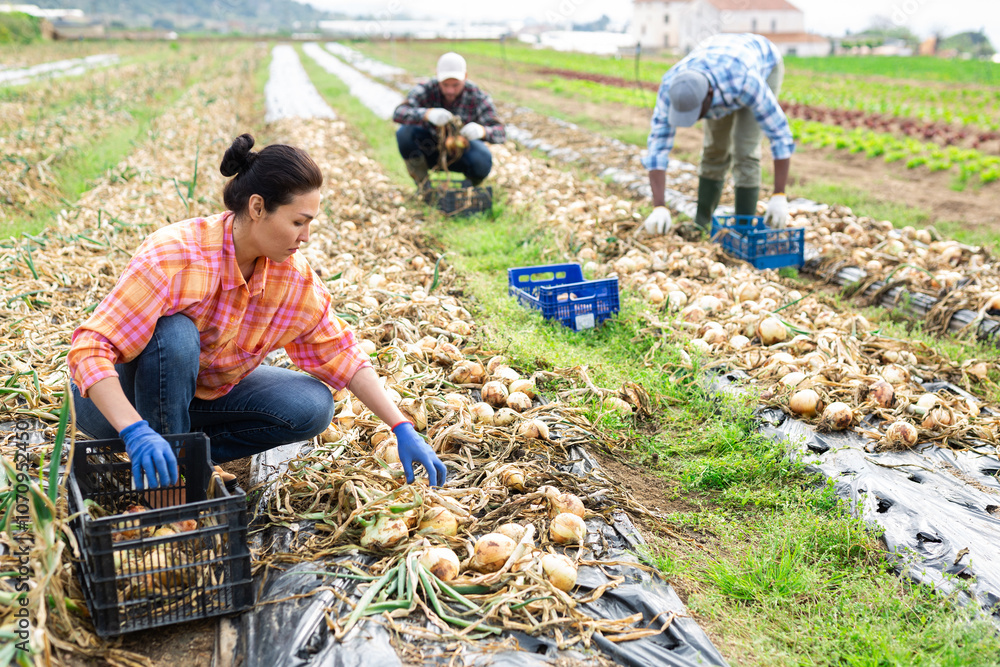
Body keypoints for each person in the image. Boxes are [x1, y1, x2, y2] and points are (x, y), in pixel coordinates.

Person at [67, 134, 447, 490]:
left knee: (312, 406)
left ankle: (189, 456)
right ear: (257, 207)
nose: (306, 237)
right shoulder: (176, 255)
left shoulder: (291, 278)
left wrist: (399, 425)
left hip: (196, 397)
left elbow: (341, 351)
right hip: (119, 406)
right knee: (176, 334)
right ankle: (174, 482)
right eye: (298, 222)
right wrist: (133, 429)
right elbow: (89, 349)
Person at [641, 33, 794, 237]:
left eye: (696, 114)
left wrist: (779, 194)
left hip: (762, 65)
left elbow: (779, 134)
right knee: (714, 149)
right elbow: (657, 147)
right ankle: (701, 225)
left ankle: (743, 230)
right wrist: (658, 206)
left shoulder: (745, 80)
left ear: (709, 97)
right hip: (717, 70)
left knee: (744, 149)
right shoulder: (671, 87)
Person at [393, 52, 506, 188]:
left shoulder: (476, 96)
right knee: (404, 133)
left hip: (461, 152)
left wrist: (482, 131)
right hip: (430, 149)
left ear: (465, 77)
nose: (450, 90)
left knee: (482, 159)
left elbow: (501, 132)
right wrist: (427, 114)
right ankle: (423, 185)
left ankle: (468, 190)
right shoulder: (427, 89)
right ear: (438, 77)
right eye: (445, 85)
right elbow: (399, 113)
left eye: (455, 85)